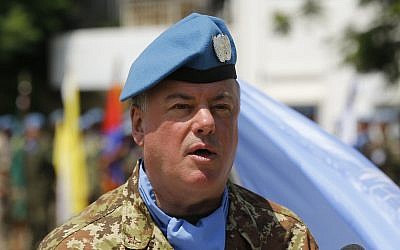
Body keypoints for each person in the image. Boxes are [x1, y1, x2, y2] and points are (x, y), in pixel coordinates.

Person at [39, 13, 318, 249]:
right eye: (183, 106)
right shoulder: (80, 243)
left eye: (222, 107)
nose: (207, 122)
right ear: (138, 125)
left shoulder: (285, 237)